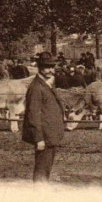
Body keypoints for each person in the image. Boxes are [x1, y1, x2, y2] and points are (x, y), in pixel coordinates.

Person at [22, 52, 65, 182]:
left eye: (52, 67)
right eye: (47, 67)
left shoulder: (46, 84)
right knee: (42, 168)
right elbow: (33, 115)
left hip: (50, 134)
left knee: (46, 167)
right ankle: (39, 194)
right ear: (40, 67)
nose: (51, 70)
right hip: (44, 136)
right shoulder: (36, 87)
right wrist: (38, 138)